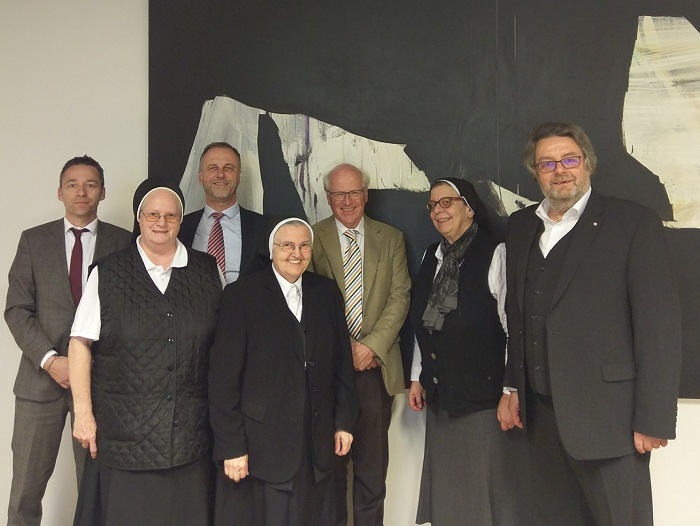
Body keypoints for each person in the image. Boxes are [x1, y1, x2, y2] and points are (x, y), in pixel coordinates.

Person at [498, 122, 682, 526]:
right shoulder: (521, 225)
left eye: (569, 159)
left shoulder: (632, 222)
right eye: (547, 163)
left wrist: (653, 418)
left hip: (611, 420)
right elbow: (518, 314)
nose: (559, 170)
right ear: (535, 172)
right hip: (540, 418)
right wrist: (512, 387)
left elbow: (659, 329)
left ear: (587, 164)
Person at [68, 179, 222, 526]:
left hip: (191, 436)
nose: (161, 223)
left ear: (181, 220)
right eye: (152, 214)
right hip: (123, 437)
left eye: (170, 215)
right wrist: (83, 414)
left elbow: (224, 347)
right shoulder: (108, 272)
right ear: (139, 218)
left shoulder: (208, 271)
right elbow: (79, 343)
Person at [4, 156, 130, 526]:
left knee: (96, 488)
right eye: (72, 184)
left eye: (91, 184)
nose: (81, 192)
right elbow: (17, 309)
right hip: (39, 383)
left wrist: (84, 366)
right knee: (25, 490)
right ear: (59, 192)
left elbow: (128, 315)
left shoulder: (124, 242)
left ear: (103, 192)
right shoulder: (33, 241)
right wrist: (50, 360)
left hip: (99, 384)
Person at [209, 218, 359, 526]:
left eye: (304, 246)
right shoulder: (241, 295)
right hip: (264, 448)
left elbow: (342, 364)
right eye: (287, 245)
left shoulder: (326, 292)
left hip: (317, 444)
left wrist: (344, 422)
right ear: (272, 249)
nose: (296, 253)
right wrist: (231, 446)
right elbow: (223, 379)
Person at [407, 178, 516, 525]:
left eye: (447, 202)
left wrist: (510, 390)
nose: (438, 211)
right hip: (441, 401)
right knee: (450, 499)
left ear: (469, 208)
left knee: (482, 501)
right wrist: (417, 376)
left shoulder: (495, 253)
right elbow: (424, 322)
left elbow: (513, 328)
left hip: (484, 403)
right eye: (432, 205)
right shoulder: (431, 256)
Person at [310, 163, 410, 526]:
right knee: (330, 471)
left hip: (374, 369)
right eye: (339, 193)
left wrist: (370, 347)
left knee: (371, 471)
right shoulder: (311, 237)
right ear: (328, 198)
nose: (347, 200)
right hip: (327, 372)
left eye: (354, 192)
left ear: (366, 195)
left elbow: (399, 297)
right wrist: (344, 349)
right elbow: (308, 300)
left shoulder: (391, 238)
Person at [178, 141, 269, 283]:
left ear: (238, 177)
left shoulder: (265, 228)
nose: (221, 174)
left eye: (228, 168)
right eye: (213, 168)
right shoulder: (180, 228)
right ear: (200, 177)